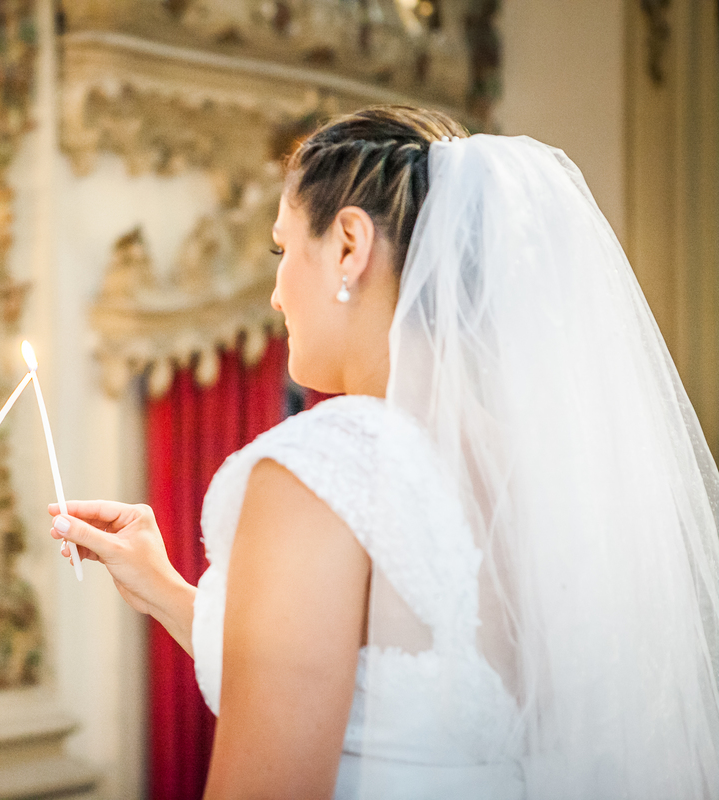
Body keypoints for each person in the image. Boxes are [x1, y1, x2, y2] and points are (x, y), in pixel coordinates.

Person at [50, 106, 719, 798]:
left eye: (283, 252)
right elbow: (384, 686)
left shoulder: (324, 471)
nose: (278, 296)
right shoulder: (551, 473)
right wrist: (164, 590)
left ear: (348, 245)